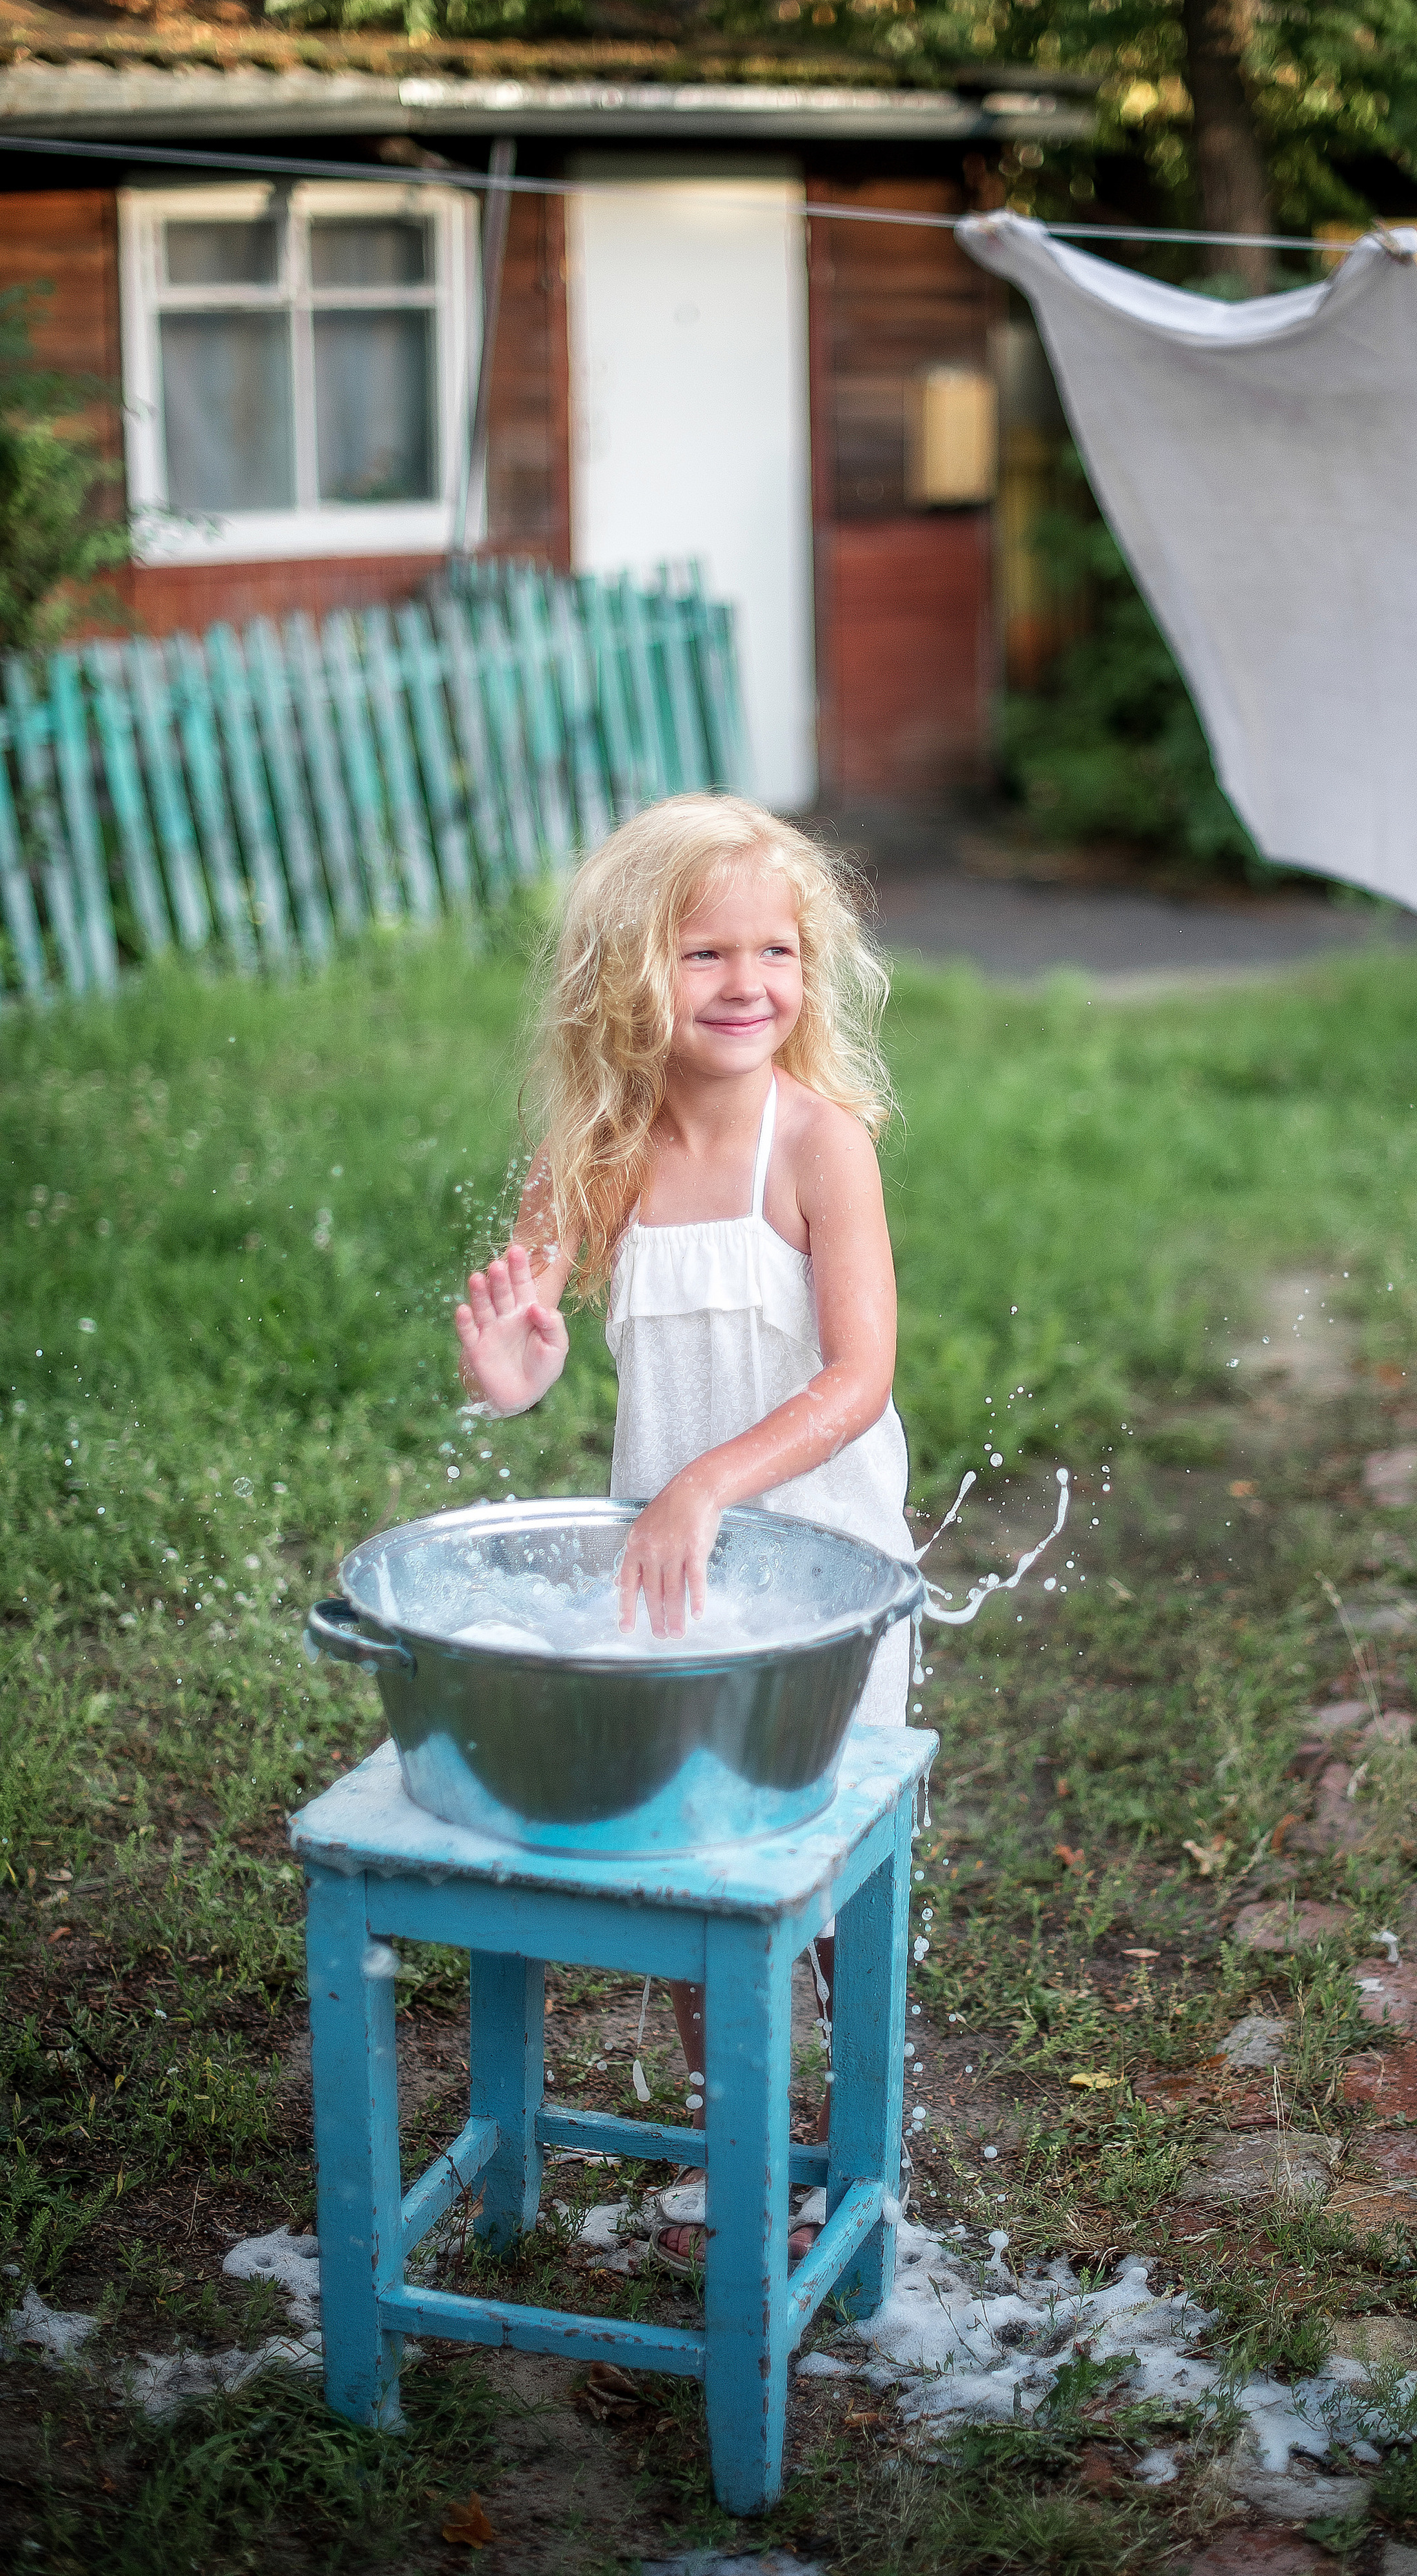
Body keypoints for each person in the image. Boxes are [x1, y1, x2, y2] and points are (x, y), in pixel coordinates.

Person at [453, 792, 914, 2269]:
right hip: (676, 1570)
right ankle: (738, 2142)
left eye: (772, 951)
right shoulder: (602, 1147)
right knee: (701, 1847)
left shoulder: (817, 1144)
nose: (743, 985)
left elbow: (858, 1377)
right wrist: (511, 1376)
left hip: (821, 1566)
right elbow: (527, 1336)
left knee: (819, 1859)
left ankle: (856, 2137)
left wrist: (708, 1481)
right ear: (625, 975)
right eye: (701, 952)